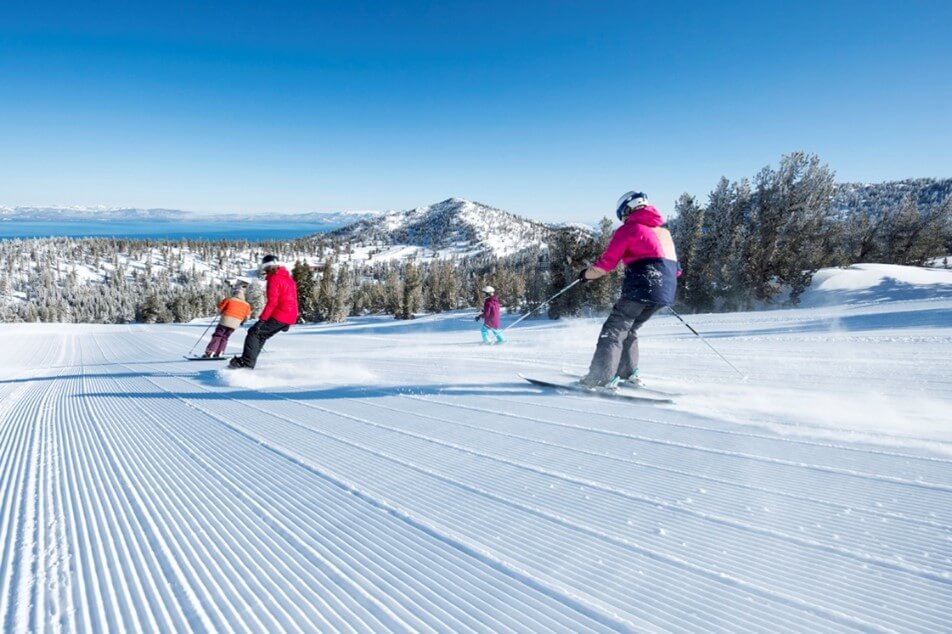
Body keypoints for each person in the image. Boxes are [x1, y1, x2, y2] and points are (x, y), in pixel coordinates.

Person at [576, 191, 679, 389]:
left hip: (642, 286)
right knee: (629, 329)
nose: (623, 219)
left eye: (622, 215)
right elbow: (677, 270)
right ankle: (627, 373)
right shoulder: (664, 233)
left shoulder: (629, 229)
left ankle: (599, 379)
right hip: (665, 291)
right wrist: (660, 290)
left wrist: (585, 275)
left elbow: (605, 265)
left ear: (628, 209)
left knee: (613, 330)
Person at [228, 255, 299, 369]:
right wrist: (290, 320)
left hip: (280, 314)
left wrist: (262, 320)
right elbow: (293, 298)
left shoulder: (274, 278)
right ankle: (248, 362)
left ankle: (246, 364)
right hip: (288, 315)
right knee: (261, 335)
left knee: (254, 332)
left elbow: (272, 302)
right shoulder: (287, 278)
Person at [203, 282, 252, 358]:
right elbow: (247, 316)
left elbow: (220, 307)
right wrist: (242, 322)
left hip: (225, 320)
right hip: (235, 324)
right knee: (225, 337)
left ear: (235, 293)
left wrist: (221, 311)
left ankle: (210, 352)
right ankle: (220, 352)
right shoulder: (247, 305)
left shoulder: (229, 299)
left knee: (218, 335)